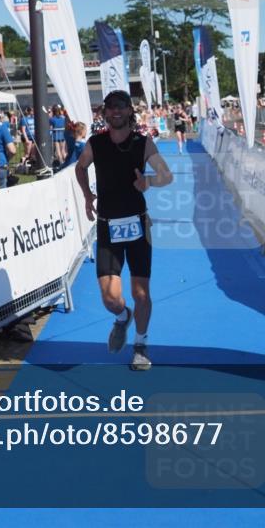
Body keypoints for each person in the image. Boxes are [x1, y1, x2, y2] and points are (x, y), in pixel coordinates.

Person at [74, 90, 173, 372]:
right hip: (107, 226)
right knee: (110, 298)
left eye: (121, 107)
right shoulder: (96, 143)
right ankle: (122, 317)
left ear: (130, 111)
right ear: (104, 113)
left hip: (138, 225)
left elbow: (167, 175)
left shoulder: (143, 143)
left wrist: (149, 182)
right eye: (110, 107)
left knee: (141, 292)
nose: (115, 111)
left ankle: (140, 345)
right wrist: (86, 196)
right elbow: (80, 169)